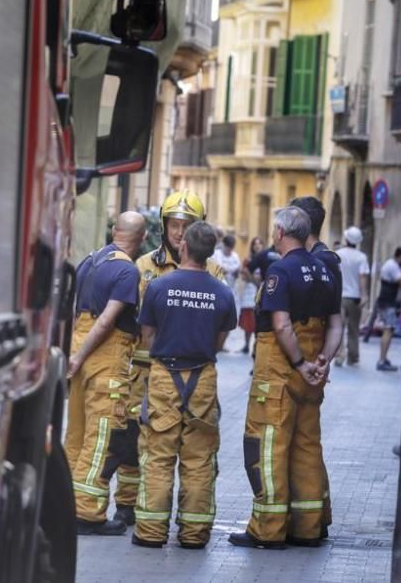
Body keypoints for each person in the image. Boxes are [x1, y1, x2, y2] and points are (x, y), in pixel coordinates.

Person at [230, 207, 342, 550]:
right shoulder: (325, 270)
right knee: (307, 445)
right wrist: (322, 360)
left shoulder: (280, 271)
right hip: (312, 373)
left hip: (280, 372)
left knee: (268, 447)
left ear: (280, 232)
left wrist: (298, 363)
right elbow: (337, 324)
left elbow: (280, 324)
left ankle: (268, 529)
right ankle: (307, 527)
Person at [115, 190, 223, 526]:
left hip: (189, 372)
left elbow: (216, 328)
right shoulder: (144, 266)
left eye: (185, 225)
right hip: (144, 374)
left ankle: (176, 517)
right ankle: (127, 505)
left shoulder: (214, 272)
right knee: (134, 443)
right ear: (164, 226)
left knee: (189, 450)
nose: (178, 232)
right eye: (174, 224)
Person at [133, 222, 237, 549]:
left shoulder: (159, 286)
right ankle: (194, 534)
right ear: (210, 254)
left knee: (159, 454)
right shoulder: (222, 291)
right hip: (203, 377)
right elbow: (220, 340)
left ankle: (150, 532)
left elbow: (147, 336)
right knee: (199, 458)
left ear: (183, 248)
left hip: (164, 374)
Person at [64, 211, 147, 536]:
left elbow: (74, 313)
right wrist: (81, 355)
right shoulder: (127, 270)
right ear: (140, 239)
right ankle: (88, 513)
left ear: (114, 230)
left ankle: (68, 503)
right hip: (104, 359)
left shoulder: (89, 261)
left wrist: (73, 355)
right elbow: (106, 321)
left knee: (76, 436)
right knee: (101, 437)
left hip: (78, 351)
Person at [290, 196, 344, 536]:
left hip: (302, 365)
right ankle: (313, 520)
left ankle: (303, 522)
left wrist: (315, 358)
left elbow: (296, 319)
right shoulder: (327, 259)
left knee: (300, 442)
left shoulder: (315, 263)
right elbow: (337, 320)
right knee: (308, 441)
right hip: (315, 362)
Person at [335, 226, 370, 366]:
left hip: (339, 296)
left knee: (338, 327)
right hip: (355, 297)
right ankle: (353, 357)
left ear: (346, 239)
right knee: (354, 328)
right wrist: (364, 295)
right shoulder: (362, 257)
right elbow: (363, 277)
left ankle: (339, 356)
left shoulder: (338, 254)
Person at [375, 245, 401, 371]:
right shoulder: (392, 266)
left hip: (390, 303)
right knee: (388, 330)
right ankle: (381, 360)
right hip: (388, 304)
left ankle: (383, 359)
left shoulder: (395, 265)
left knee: (389, 330)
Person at [237, 237, 265, 353]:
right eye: (255, 244)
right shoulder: (248, 260)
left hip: (261, 291)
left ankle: (256, 347)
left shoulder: (266, 258)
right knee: (248, 318)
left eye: (259, 243)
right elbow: (244, 275)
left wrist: (252, 278)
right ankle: (246, 345)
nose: (257, 246)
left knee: (258, 320)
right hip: (249, 291)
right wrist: (254, 279)